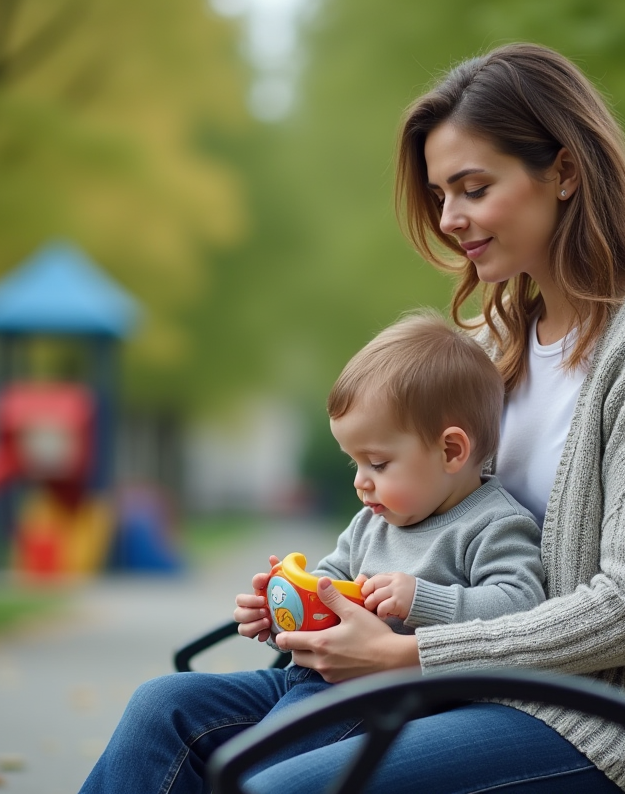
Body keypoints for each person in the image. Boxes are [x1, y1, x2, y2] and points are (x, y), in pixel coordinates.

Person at [81, 41, 625, 794]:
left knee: (278, 786)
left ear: (564, 171)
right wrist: (320, 607)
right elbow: (424, 531)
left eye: (472, 188)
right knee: (162, 713)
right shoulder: (497, 346)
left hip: (598, 724)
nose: (450, 219)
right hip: (460, 692)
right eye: (440, 194)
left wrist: (410, 655)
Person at [79, 312, 545, 792]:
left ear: (451, 451)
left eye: (378, 462)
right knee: (162, 704)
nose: (361, 481)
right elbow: (331, 582)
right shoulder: (374, 519)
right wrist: (280, 610)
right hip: (311, 681)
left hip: (386, 702)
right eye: (354, 461)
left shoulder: (495, 524)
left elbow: (524, 607)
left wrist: (422, 599)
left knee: (260, 770)